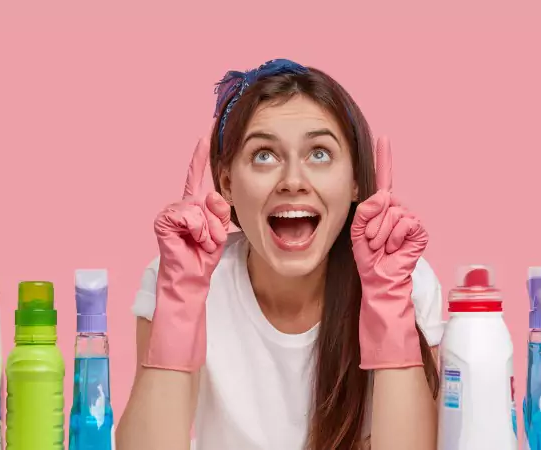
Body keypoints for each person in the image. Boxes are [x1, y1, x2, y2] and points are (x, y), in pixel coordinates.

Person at [117, 59, 444, 450]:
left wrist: (388, 303)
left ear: (355, 180)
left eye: (319, 153)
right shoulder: (177, 279)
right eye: (264, 155)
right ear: (227, 184)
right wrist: (180, 303)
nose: (292, 181)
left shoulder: (403, 280)